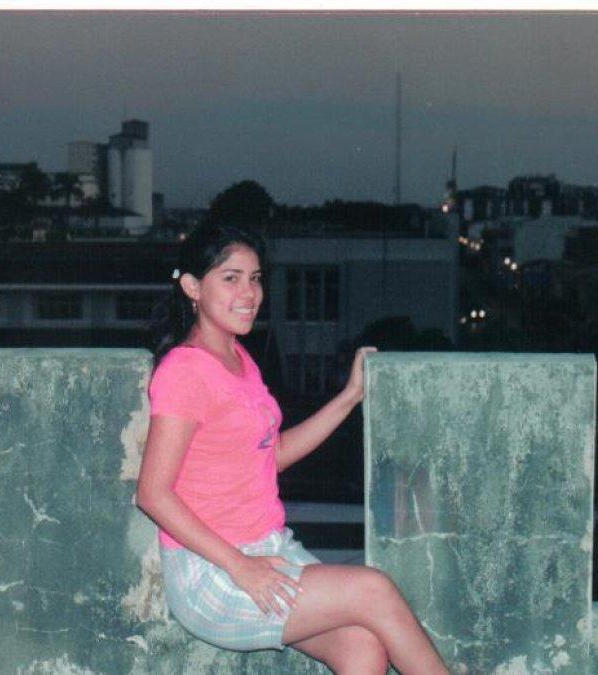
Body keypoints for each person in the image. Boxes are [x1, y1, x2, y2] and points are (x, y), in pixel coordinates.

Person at [137, 224, 450, 674]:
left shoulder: (239, 359)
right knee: (373, 589)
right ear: (192, 287)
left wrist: (349, 397)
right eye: (231, 278)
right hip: (213, 571)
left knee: (361, 646)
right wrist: (240, 566)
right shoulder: (184, 372)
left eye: (255, 278)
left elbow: (272, 454)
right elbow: (153, 494)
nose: (249, 293)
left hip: (268, 549)